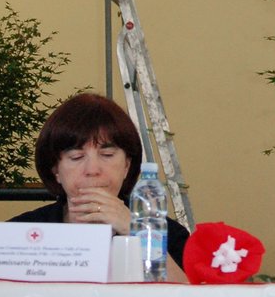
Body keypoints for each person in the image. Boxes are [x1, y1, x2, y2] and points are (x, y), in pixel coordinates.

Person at [10, 92, 189, 281]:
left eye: (108, 154)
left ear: (127, 165)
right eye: (76, 157)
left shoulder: (169, 234)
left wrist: (139, 232)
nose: (93, 170)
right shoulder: (21, 233)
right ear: (56, 170)